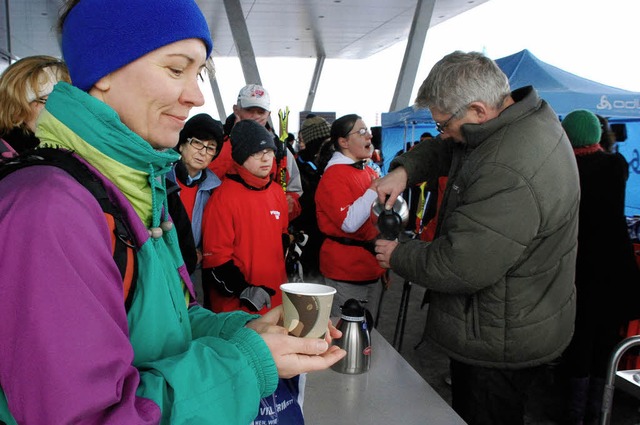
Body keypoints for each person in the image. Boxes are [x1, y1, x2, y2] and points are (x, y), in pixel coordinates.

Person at [0, 1, 345, 423]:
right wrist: (246, 361)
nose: (196, 95)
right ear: (104, 70)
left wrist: (246, 333)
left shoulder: (133, 187)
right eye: (176, 68)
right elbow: (87, 415)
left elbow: (166, 331)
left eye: (198, 73)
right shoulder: (50, 210)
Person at [373, 51, 579, 425]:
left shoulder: (508, 166)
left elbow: (461, 264)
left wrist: (398, 254)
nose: (441, 132)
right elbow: (452, 144)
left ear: (479, 111)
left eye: (442, 124)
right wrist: (406, 170)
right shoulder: (516, 121)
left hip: (498, 336)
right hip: (515, 316)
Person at [559, 109, 640, 425]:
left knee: (578, 342)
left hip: (578, 267)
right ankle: (598, 412)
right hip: (614, 268)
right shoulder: (615, 165)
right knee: (607, 343)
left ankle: (574, 414)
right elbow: (609, 155)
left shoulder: (565, 170)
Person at [201, 119, 288, 315]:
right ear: (241, 157)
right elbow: (216, 260)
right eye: (257, 153)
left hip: (275, 301)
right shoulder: (223, 197)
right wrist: (243, 289)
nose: (266, 159)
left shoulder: (276, 192)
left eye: (270, 152)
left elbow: (281, 238)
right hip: (239, 308)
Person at [315, 114, 386, 320]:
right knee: (346, 333)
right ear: (343, 142)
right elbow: (349, 223)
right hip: (346, 270)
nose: (369, 137)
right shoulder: (335, 175)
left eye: (368, 131)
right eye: (361, 132)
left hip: (370, 267)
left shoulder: (366, 170)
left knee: (367, 331)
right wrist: (373, 190)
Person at [209, 83, 303, 221]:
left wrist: (291, 203)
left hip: (263, 221)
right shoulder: (216, 141)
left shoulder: (279, 148)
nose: (255, 116)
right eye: (249, 110)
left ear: (268, 114)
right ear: (236, 109)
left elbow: (293, 190)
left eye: (261, 112)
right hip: (221, 217)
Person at [166, 113, 223, 276]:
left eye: (210, 147)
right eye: (197, 143)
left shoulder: (214, 189)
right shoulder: (160, 179)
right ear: (181, 145)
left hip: (193, 269)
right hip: (162, 264)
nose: (203, 152)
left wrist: (201, 251)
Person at [0, 55, 71, 154]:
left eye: (70, 101)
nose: (66, 110)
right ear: (18, 110)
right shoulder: (11, 159)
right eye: (52, 101)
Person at [291, 114, 332, 282]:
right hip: (308, 237)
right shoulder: (299, 167)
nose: (328, 144)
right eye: (323, 139)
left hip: (328, 239)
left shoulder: (330, 164)